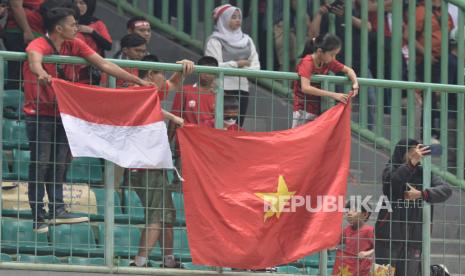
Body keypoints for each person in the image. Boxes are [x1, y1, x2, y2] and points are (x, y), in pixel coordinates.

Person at [23, 7, 153, 233]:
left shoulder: (74, 44)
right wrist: (40, 73)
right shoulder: (40, 44)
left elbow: (104, 64)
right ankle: (38, 215)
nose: (77, 28)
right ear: (59, 28)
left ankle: (57, 209)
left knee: (60, 163)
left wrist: (138, 81)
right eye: (73, 25)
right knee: (41, 163)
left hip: (64, 112)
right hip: (40, 113)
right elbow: (35, 61)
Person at [127, 56, 186, 269]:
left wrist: (182, 68)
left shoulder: (154, 92)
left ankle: (168, 260)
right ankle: (139, 263)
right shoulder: (136, 90)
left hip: (157, 164)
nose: (165, 77)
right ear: (151, 74)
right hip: (144, 165)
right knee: (156, 215)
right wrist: (173, 116)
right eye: (162, 72)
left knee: (167, 215)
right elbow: (147, 109)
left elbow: (173, 82)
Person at [375, 139, 452, 276]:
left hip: (414, 238)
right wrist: (410, 164)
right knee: (382, 274)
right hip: (388, 238)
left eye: (416, 152)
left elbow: (446, 190)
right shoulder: (391, 168)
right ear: (401, 153)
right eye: (411, 152)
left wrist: (422, 194)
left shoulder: (425, 173)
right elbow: (392, 186)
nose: (415, 155)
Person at [205, 4, 260, 128]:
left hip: (243, 90)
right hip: (222, 89)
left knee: (237, 128)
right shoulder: (214, 41)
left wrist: (231, 68)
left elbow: (256, 67)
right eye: (233, 17)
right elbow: (214, 66)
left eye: (239, 17)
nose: (238, 20)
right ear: (223, 19)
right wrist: (237, 64)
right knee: (219, 127)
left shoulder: (247, 40)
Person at [292, 34, 358, 128]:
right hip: (302, 110)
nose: (334, 58)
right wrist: (334, 95)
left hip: (318, 110)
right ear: (320, 52)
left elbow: (349, 70)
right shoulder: (307, 62)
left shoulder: (327, 61)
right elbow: (305, 88)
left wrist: (355, 84)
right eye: (332, 55)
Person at [168, 55, 218, 140]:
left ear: (216, 74)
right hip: (186, 141)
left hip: (208, 142)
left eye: (210, 72)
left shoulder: (219, 96)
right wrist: (168, 140)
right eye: (204, 71)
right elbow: (174, 116)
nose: (206, 75)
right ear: (197, 71)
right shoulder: (185, 90)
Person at [4, 0, 45, 89]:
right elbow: (16, 7)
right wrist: (26, 30)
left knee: (30, 74)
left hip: (38, 33)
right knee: (17, 73)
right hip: (19, 33)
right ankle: (12, 101)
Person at [332, 201, 374, 276]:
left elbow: (379, 247)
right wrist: (332, 246)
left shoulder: (369, 231)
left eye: (354, 210)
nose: (349, 213)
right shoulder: (346, 230)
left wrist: (367, 253)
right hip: (349, 268)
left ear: (365, 214)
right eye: (347, 211)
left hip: (363, 270)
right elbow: (335, 242)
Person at [75, 0, 112, 84]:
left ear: (90, 5)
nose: (77, 6)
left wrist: (92, 32)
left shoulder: (97, 23)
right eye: (75, 2)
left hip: (92, 72)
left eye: (82, 3)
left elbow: (108, 45)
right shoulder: (67, 21)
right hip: (71, 70)